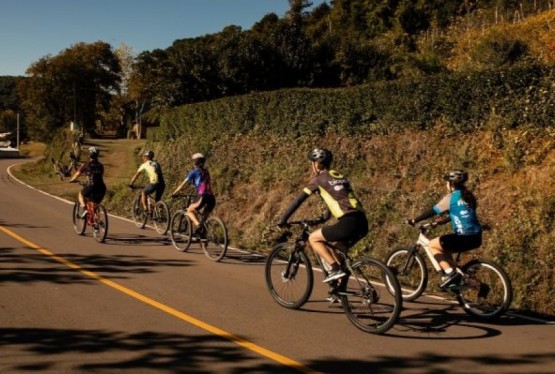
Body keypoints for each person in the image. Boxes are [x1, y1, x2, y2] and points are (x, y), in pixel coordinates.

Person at [277, 148, 369, 283]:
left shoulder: (318, 180)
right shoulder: (339, 176)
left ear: (317, 164)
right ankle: (338, 289)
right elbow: (337, 200)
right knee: (336, 251)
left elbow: (298, 200)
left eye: (312, 162)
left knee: (313, 238)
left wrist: (283, 219)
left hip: (347, 223)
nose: (311, 166)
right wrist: (321, 219)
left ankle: (335, 269)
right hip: (362, 222)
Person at [406, 170, 482, 290]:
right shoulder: (469, 196)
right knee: (445, 251)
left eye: (447, 182)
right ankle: (463, 280)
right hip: (476, 237)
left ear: (451, 184)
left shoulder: (451, 197)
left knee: (432, 245)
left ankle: (451, 274)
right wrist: (441, 222)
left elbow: (433, 211)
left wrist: (415, 220)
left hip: (463, 237)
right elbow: (462, 213)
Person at [171, 153, 216, 234]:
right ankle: (203, 235)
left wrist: (174, 193)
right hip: (211, 197)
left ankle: (198, 226)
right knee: (204, 220)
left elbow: (182, 185)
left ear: (195, 162)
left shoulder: (194, 172)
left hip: (203, 196)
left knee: (189, 211)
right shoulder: (206, 171)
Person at [68, 146, 107, 218]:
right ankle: (97, 223)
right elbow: (99, 175)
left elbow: (77, 174)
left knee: (81, 194)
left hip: (91, 185)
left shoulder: (86, 165)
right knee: (95, 204)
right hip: (102, 187)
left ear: (89, 154)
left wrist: (72, 179)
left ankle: (84, 208)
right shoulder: (101, 165)